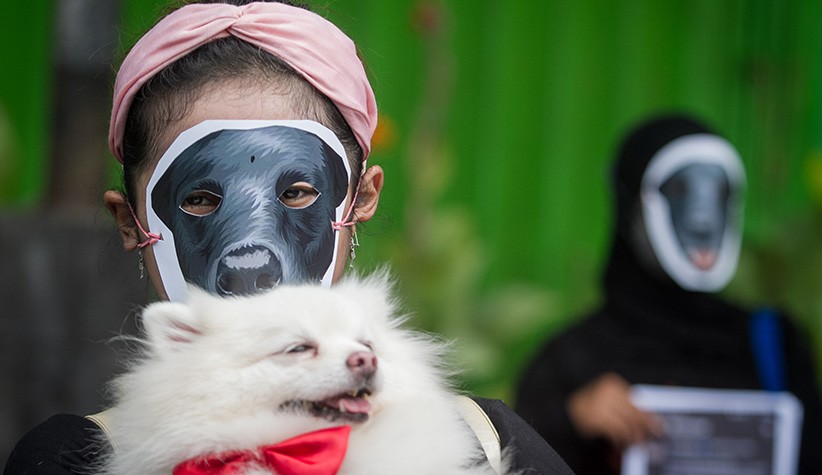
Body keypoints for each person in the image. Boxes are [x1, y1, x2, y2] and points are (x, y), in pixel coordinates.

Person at [4, 1, 572, 473]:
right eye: (199, 200)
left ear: (361, 198)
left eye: (297, 192)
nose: (252, 255)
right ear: (132, 221)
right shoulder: (71, 461)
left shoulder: (487, 445)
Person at [515, 114, 822, 474]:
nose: (702, 220)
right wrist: (570, 421)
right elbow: (511, 460)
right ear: (630, 206)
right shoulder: (569, 359)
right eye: (679, 191)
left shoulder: (774, 345)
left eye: (719, 192)